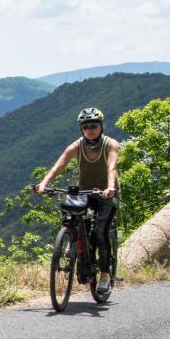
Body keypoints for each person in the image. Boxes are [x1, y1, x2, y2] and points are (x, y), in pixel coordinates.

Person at [35, 107, 119, 295]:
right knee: (71, 215)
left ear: (101, 126)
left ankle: (105, 275)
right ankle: (72, 239)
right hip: (85, 192)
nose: (90, 129)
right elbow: (59, 165)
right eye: (86, 126)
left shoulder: (110, 144)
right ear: (81, 128)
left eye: (94, 125)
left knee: (100, 232)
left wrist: (110, 187)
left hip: (107, 193)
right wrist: (44, 184)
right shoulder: (76, 146)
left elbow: (111, 167)